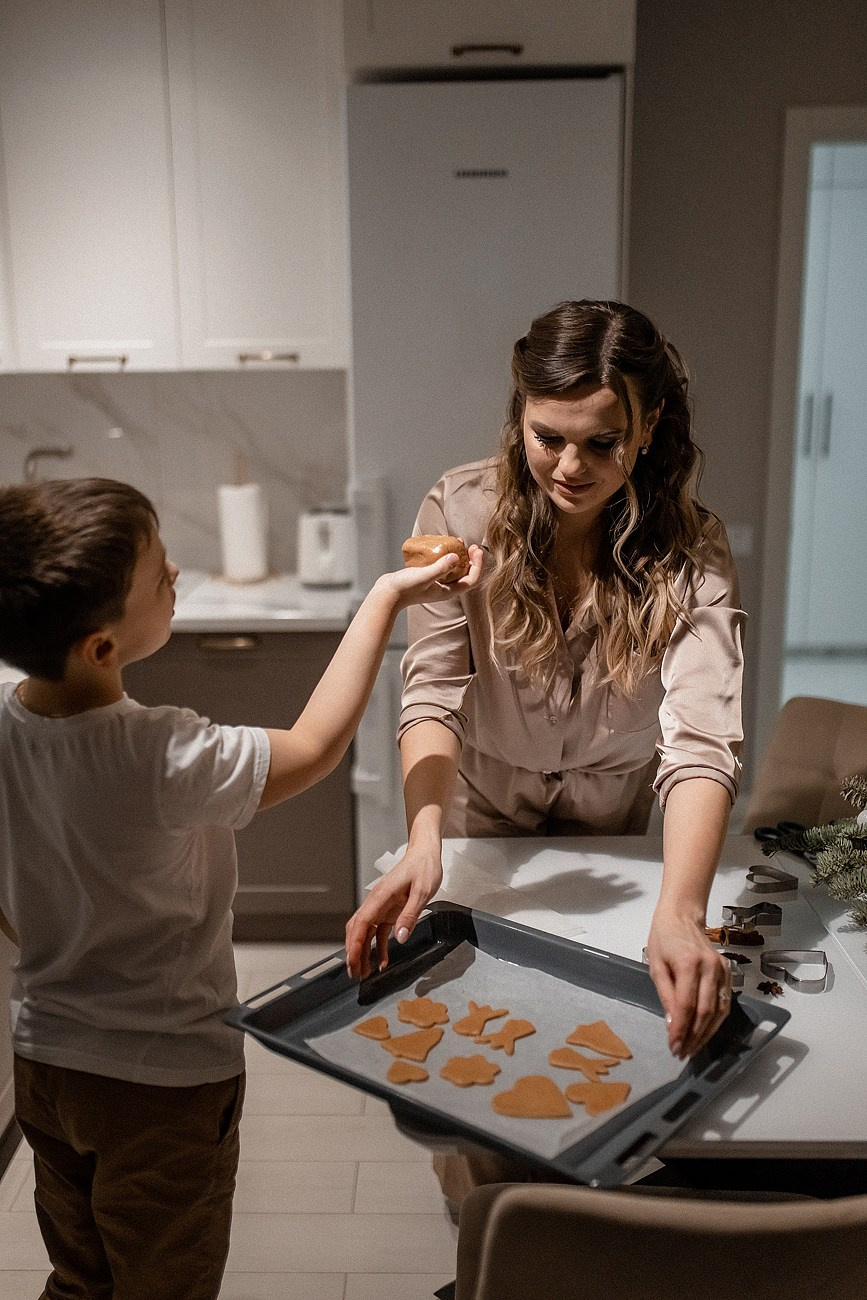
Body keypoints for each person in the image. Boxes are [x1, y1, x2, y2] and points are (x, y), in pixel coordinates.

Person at [0, 476, 482, 1300]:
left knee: (79, 1277)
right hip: (163, 1084)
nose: (179, 573)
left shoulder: (7, 727)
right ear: (101, 648)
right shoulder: (160, 754)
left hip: (46, 1062)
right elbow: (317, 744)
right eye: (160, 574)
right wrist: (385, 599)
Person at [346, 298, 744, 1065]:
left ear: (650, 423)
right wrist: (422, 840)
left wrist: (681, 911)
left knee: (598, 1039)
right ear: (519, 414)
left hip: (614, 837)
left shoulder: (693, 548)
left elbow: (699, 743)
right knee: (472, 1045)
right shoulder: (461, 509)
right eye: (547, 438)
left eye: (603, 443)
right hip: (478, 824)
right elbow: (430, 691)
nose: (570, 467)